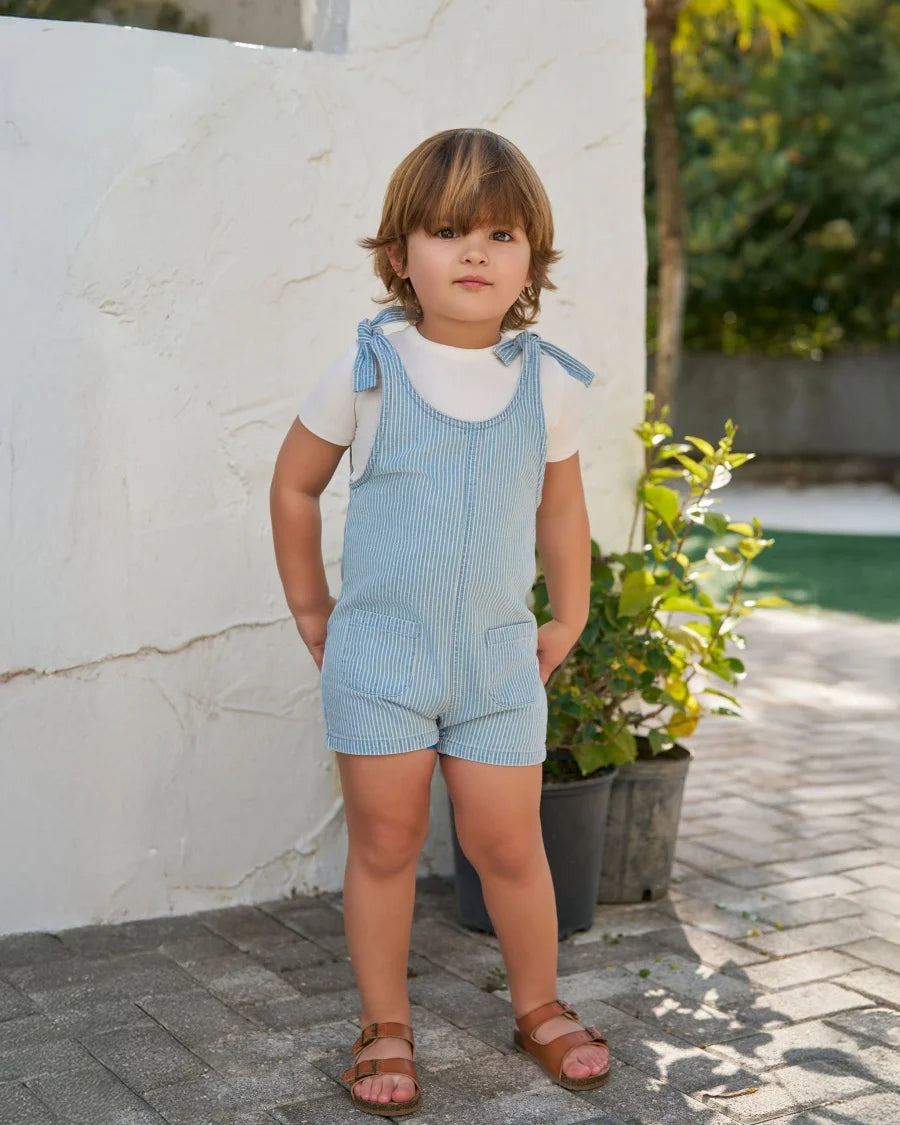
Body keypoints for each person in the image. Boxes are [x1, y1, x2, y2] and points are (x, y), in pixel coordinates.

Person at [269, 127, 611, 1117]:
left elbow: (561, 511)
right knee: (384, 841)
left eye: (501, 235)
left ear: (530, 264)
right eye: (449, 230)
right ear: (397, 256)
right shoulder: (369, 366)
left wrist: (572, 611)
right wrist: (310, 608)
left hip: (498, 663)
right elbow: (294, 487)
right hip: (379, 658)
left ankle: (539, 1004)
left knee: (510, 846)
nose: (474, 253)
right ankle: (385, 1022)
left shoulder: (546, 382)